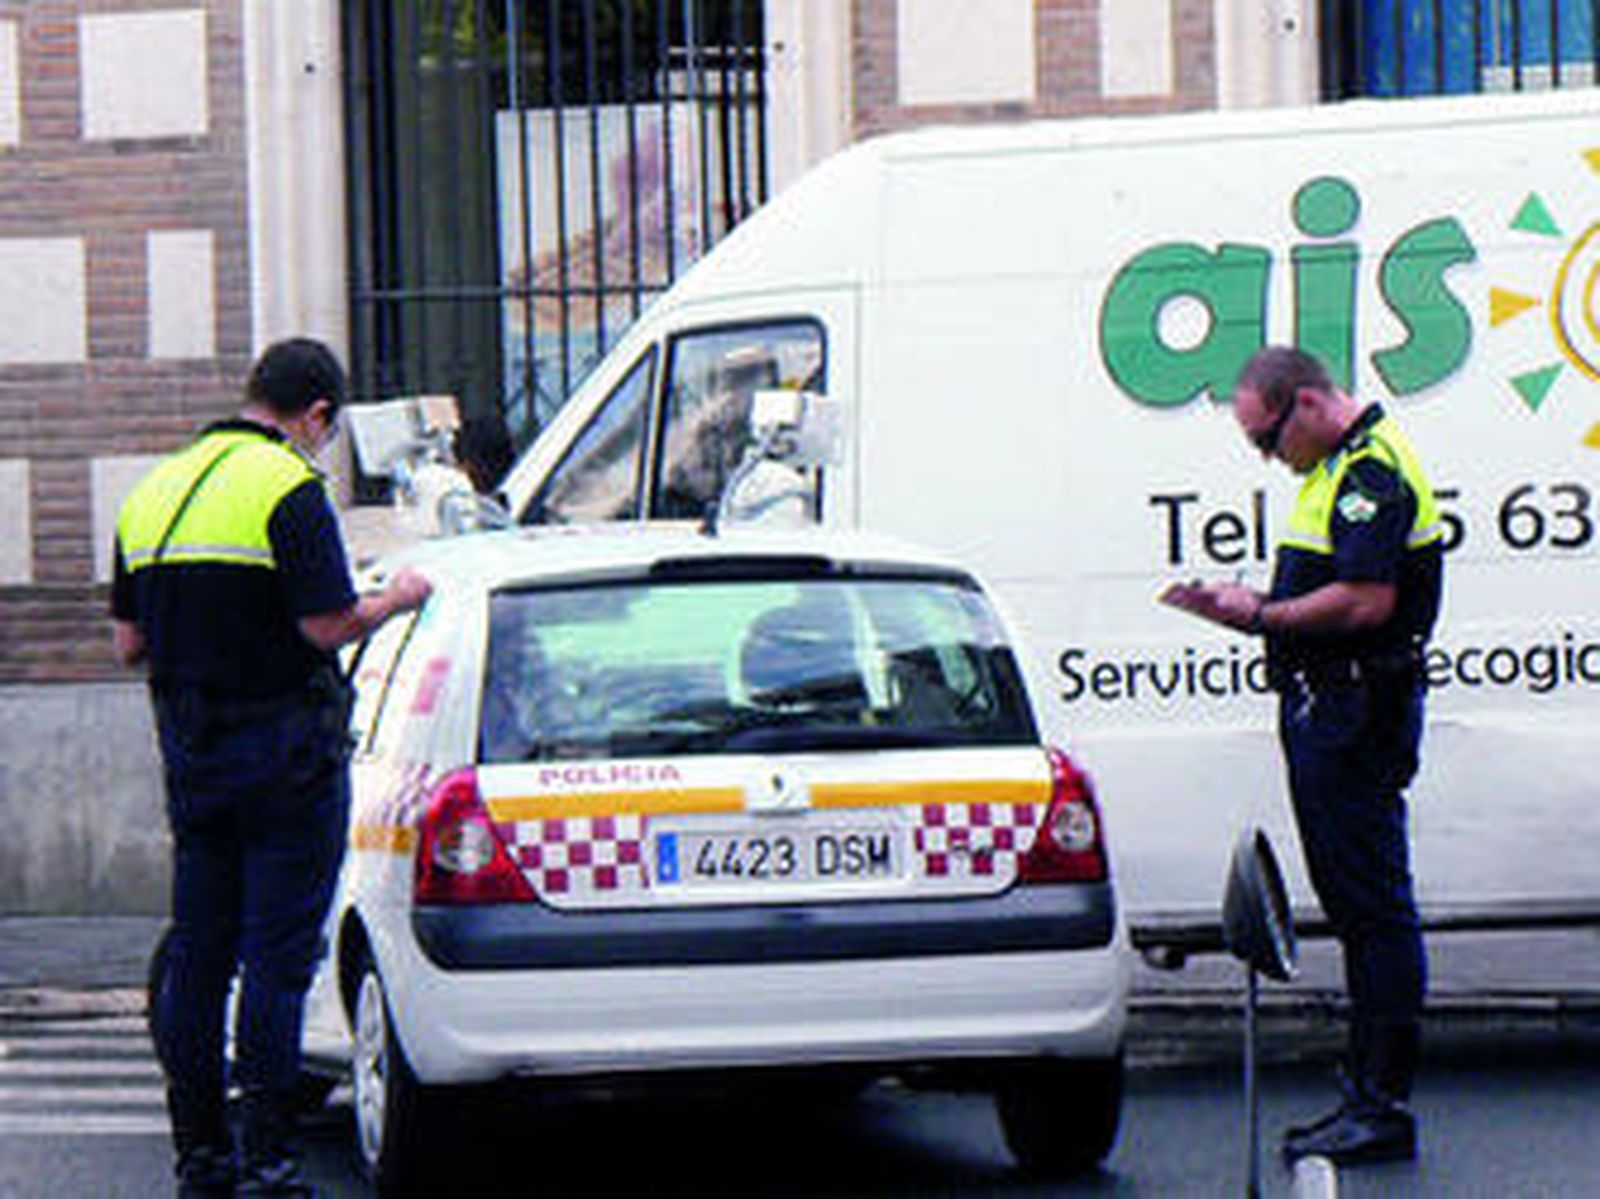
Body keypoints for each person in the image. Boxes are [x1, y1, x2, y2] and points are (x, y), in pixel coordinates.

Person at [112, 338, 431, 1197]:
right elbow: (326, 625)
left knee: (200, 957)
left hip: (194, 759)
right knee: (276, 964)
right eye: (328, 428)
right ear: (317, 414)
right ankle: (269, 1162)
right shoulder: (290, 487)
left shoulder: (154, 490)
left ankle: (201, 1158)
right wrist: (397, 598)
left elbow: (128, 641)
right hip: (289, 761)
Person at [1195, 346, 1444, 1166]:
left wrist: (1260, 616)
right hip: (1337, 707)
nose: (1269, 458)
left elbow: (1366, 600)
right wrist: (1255, 605)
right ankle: (1365, 1094)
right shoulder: (1336, 468)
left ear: (1305, 402)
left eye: (1268, 439)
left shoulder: (1369, 470)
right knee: (1359, 908)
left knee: (1374, 910)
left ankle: (1381, 1104)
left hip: (1356, 710)